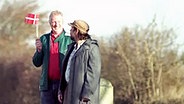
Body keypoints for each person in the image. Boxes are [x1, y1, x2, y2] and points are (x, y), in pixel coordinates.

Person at [32, 10, 72, 104]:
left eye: (58, 22)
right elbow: (36, 63)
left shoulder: (69, 40)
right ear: (50, 23)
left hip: (63, 85)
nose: (56, 24)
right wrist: (39, 51)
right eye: (54, 22)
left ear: (62, 23)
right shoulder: (44, 39)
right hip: (47, 85)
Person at [58, 20, 101, 104]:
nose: (69, 31)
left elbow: (93, 75)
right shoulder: (71, 48)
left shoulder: (92, 48)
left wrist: (85, 96)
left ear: (76, 31)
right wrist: (61, 90)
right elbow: (66, 70)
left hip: (82, 99)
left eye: (71, 29)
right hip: (68, 94)